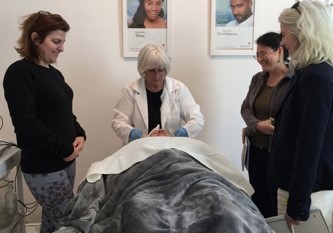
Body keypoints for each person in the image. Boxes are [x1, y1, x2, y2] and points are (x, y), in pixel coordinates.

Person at [3, 11, 86, 232]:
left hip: (66, 161)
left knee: (53, 222)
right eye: (56, 41)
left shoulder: (53, 73)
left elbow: (65, 113)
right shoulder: (19, 73)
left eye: (63, 42)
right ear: (36, 39)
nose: (61, 48)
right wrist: (64, 148)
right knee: (71, 220)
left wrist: (79, 134)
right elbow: (26, 125)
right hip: (44, 166)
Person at [270, 0, 333, 231]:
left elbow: (310, 143)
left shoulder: (316, 76)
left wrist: (298, 202)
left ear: (303, 33)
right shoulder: (310, 72)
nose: (283, 42)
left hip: (306, 193)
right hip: (303, 188)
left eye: (285, 34)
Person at [111, 44, 204, 145]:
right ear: (143, 70)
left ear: (166, 69)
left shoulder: (178, 89)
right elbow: (118, 121)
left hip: (171, 147)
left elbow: (197, 118)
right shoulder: (131, 91)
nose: (157, 75)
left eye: (160, 70)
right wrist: (131, 133)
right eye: (151, 70)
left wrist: (185, 131)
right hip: (140, 147)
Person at [241, 32, 290, 218]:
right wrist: (257, 126)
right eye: (257, 54)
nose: (260, 59)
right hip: (256, 151)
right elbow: (245, 108)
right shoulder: (258, 79)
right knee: (258, 201)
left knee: (275, 203)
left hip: (278, 153)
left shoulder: (293, 80)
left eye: (264, 53)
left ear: (279, 51)